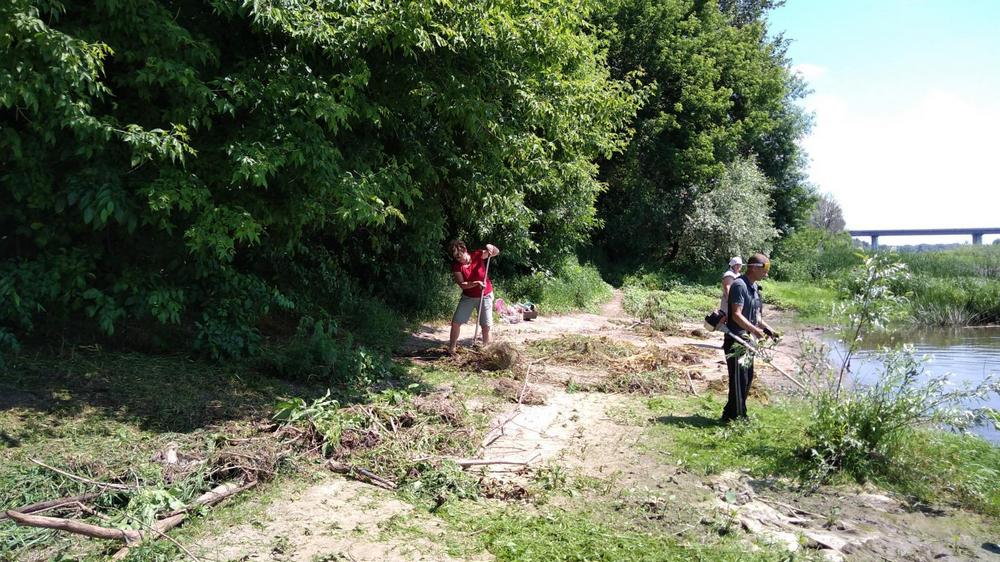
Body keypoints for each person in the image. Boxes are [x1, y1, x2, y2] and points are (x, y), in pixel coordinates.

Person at [721, 253, 779, 422]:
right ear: (753, 267)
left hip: (748, 340)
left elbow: (757, 317)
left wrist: (770, 331)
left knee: (747, 379)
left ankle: (729, 414)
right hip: (736, 339)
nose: (766, 274)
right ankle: (739, 417)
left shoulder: (754, 288)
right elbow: (737, 315)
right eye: (765, 269)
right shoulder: (740, 285)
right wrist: (754, 330)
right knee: (739, 380)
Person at [447, 240, 500, 354]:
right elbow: (462, 285)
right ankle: (451, 349)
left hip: (485, 295)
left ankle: (486, 352)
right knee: (456, 322)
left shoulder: (477, 255)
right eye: (456, 257)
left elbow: (496, 252)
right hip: (468, 297)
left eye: (460, 256)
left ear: (465, 251)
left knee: (486, 326)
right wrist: (476, 283)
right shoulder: (456, 266)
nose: (459, 259)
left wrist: (489, 246)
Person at [718, 256, 743, 327]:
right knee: (726, 314)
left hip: (736, 299)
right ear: (732, 265)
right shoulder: (729, 275)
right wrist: (730, 301)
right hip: (729, 299)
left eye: (740, 265)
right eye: (737, 265)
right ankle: (719, 328)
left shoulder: (738, 275)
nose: (739, 266)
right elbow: (727, 288)